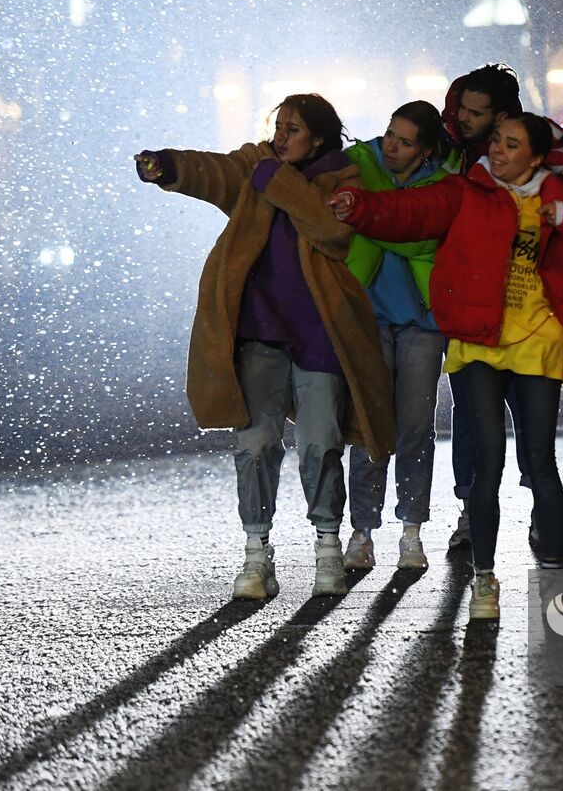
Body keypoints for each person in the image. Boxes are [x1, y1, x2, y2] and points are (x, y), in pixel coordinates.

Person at [332, 113, 563, 620]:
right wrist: (360, 206)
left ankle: (554, 571)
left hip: (537, 342)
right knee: (487, 463)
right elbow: (411, 210)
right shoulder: (466, 191)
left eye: (511, 144)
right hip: (477, 344)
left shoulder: (556, 197)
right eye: (495, 140)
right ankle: (484, 580)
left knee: (540, 459)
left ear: (535, 157)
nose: (497, 150)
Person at [133, 94, 393, 600]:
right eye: (278, 127)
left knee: (320, 442)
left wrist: (275, 180)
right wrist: (169, 166)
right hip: (259, 330)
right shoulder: (256, 165)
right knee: (254, 443)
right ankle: (257, 552)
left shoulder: (341, 179)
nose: (280, 137)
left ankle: (327, 547)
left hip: (321, 331)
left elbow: (332, 232)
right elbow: (214, 172)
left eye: (292, 130)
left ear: (318, 138)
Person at [439, 64, 563, 554]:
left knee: (537, 436)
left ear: (503, 116)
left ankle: (546, 519)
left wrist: (532, 159)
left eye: (476, 114)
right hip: (474, 313)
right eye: (461, 110)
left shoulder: (532, 139)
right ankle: (472, 518)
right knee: (473, 427)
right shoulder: (452, 149)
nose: (464, 120)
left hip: (534, 317)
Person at [339, 101, 455, 572]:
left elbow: (424, 237)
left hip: (425, 322)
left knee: (413, 428)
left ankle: (412, 531)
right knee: (369, 425)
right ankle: (362, 532)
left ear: (425, 150)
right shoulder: (361, 164)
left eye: (405, 141)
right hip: (369, 316)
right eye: (390, 133)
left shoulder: (443, 187)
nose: (391, 145)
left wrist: (367, 218)